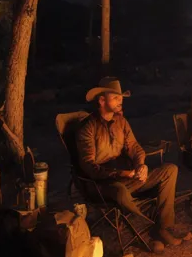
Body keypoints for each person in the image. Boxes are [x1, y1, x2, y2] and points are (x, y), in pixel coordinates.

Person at [76, 77, 182, 247]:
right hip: (104, 185)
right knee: (119, 191)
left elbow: (135, 147)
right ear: (102, 100)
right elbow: (89, 167)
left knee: (170, 170)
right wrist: (121, 173)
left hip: (129, 178)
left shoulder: (121, 122)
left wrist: (141, 165)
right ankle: (147, 222)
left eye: (121, 97)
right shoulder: (88, 128)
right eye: (115, 97)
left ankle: (163, 227)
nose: (121, 101)